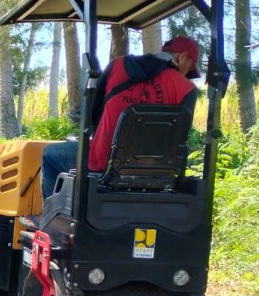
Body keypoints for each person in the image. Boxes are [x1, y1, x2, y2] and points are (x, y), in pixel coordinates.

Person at [40, 36, 201, 198]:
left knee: (49, 156)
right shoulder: (187, 89)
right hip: (155, 174)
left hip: (102, 165)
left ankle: (51, 217)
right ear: (182, 57)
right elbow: (178, 140)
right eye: (190, 69)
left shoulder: (119, 65)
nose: (187, 75)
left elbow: (90, 112)